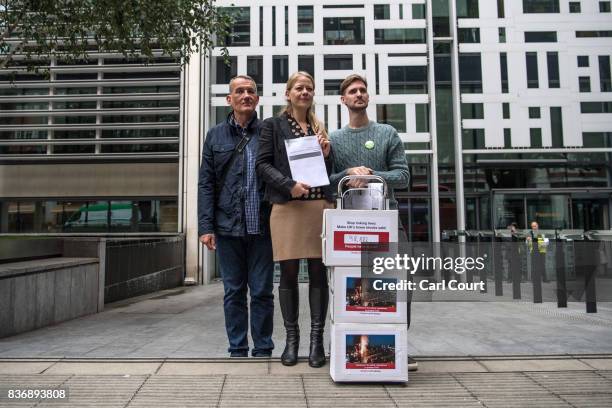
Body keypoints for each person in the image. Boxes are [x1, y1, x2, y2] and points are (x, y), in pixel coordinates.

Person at [328, 73, 416, 370]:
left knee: (397, 286)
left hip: (387, 221)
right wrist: (347, 176)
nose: (359, 94)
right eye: (352, 91)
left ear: (368, 97)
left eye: (363, 90)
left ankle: (400, 345)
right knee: (352, 288)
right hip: (350, 227)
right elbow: (326, 183)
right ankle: (350, 348)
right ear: (343, 100)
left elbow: (403, 177)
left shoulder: (387, 133)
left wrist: (372, 176)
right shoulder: (335, 139)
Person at [256, 71, 334, 367]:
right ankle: (291, 340)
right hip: (287, 206)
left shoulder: (319, 126)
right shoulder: (272, 126)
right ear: (288, 93)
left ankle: (316, 342)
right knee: (288, 274)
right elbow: (262, 165)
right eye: (299, 87)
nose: (305, 91)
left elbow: (326, 170)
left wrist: (327, 153)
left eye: (309, 88)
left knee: (318, 273)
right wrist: (289, 185)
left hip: (318, 207)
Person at [198, 75, 274, 358]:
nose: (246, 95)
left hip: (263, 228)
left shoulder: (268, 132)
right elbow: (206, 183)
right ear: (229, 99)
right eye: (239, 91)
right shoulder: (215, 135)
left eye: (251, 91)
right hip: (227, 228)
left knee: (263, 292)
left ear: (257, 98)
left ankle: (264, 348)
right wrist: (206, 226)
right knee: (233, 292)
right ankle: (238, 349)